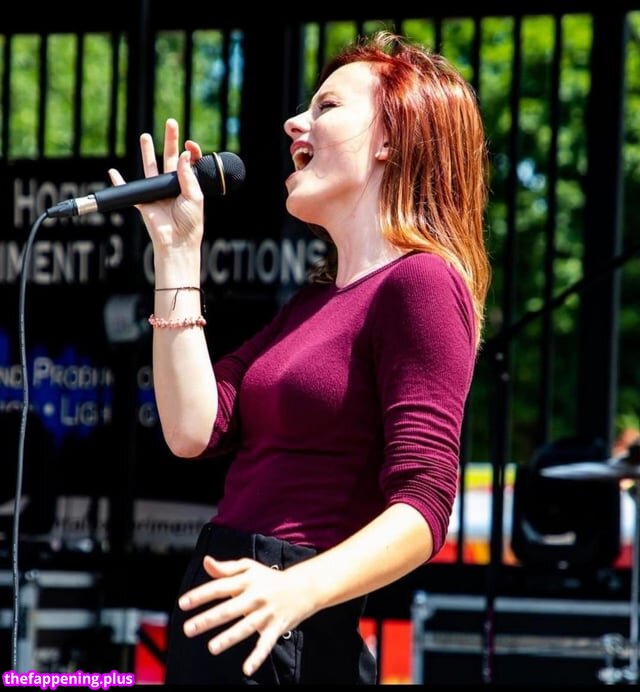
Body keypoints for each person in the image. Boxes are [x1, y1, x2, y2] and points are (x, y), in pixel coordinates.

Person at [108, 30, 491, 685]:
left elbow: (424, 505)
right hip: (226, 601)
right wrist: (176, 252)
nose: (294, 123)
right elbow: (192, 428)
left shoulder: (422, 283)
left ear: (392, 138)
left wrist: (298, 589)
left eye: (327, 107)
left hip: (290, 620)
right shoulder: (314, 302)